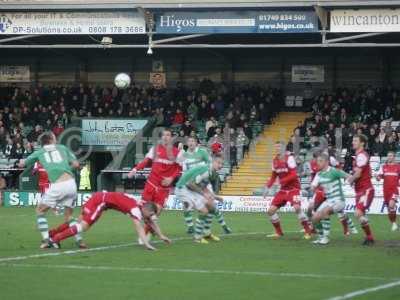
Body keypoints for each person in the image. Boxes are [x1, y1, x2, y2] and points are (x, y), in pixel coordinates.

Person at [18, 132, 85, 249]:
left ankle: (46, 240)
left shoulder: (39, 152)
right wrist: (65, 169)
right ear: (50, 140)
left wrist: (20, 163)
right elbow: (76, 164)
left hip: (58, 185)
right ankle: (79, 240)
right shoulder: (62, 148)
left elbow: (23, 164)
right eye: (54, 137)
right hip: (71, 184)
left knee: (40, 211)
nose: (56, 139)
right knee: (68, 217)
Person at [50, 192, 171, 251]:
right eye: (150, 214)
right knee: (84, 226)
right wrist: (147, 244)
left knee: (79, 221)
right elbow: (139, 228)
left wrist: (161, 235)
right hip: (100, 201)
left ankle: (52, 234)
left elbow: (151, 222)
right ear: (146, 210)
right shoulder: (136, 210)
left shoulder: (143, 206)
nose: (150, 217)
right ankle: (56, 239)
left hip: (101, 199)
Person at [127, 128, 182, 239]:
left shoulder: (177, 152)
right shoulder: (155, 149)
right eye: (164, 135)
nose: (166, 137)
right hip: (151, 184)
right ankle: (145, 233)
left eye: (168, 135)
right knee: (145, 211)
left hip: (164, 188)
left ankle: (148, 230)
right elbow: (146, 161)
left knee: (156, 212)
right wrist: (134, 170)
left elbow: (180, 168)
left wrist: (171, 178)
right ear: (161, 137)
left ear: (171, 138)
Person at [179, 137, 231, 235]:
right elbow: (185, 172)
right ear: (187, 143)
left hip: (203, 182)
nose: (191, 143)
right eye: (189, 141)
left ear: (196, 143)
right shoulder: (185, 157)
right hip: (192, 183)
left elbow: (209, 165)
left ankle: (222, 226)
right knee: (187, 205)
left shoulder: (202, 153)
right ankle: (191, 228)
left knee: (211, 206)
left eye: (193, 141)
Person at [264, 141, 312, 239]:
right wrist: (267, 187)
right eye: (276, 147)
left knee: (297, 208)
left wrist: (282, 181)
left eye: (279, 147)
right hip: (283, 190)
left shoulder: (289, 158)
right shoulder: (275, 160)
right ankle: (279, 232)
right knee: (270, 211)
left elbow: (294, 174)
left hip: (294, 189)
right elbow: (273, 176)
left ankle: (308, 231)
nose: (277, 149)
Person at [175, 155, 224, 244]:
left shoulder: (210, 171)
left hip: (189, 188)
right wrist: (203, 194)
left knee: (211, 207)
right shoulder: (206, 170)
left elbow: (202, 186)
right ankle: (197, 238)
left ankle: (206, 233)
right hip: (183, 188)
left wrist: (215, 197)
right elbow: (190, 184)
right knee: (204, 211)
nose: (220, 165)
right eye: (218, 163)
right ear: (212, 162)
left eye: (222, 164)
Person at [307, 152, 357, 236]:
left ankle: (344, 230)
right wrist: (311, 188)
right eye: (317, 161)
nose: (317, 163)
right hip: (325, 196)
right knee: (314, 216)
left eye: (320, 161)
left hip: (338, 199)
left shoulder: (334, 171)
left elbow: (348, 176)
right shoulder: (318, 174)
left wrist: (353, 182)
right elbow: (313, 186)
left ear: (326, 162)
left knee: (330, 212)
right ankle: (319, 235)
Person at [347, 134, 375, 246]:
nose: (353, 142)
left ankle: (370, 236)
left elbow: (358, 174)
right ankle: (369, 237)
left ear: (362, 143)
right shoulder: (359, 156)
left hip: (366, 189)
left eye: (355, 140)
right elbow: (368, 172)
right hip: (360, 190)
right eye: (353, 140)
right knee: (360, 215)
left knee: (358, 213)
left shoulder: (361, 155)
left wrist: (350, 179)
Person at [376, 151, 400, 231]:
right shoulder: (383, 167)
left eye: (391, 156)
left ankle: (394, 222)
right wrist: (377, 177)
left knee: (391, 205)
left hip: (394, 190)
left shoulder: (398, 167)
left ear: (394, 157)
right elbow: (379, 178)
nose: (389, 157)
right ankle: (393, 223)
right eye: (388, 156)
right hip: (386, 191)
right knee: (390, 209)